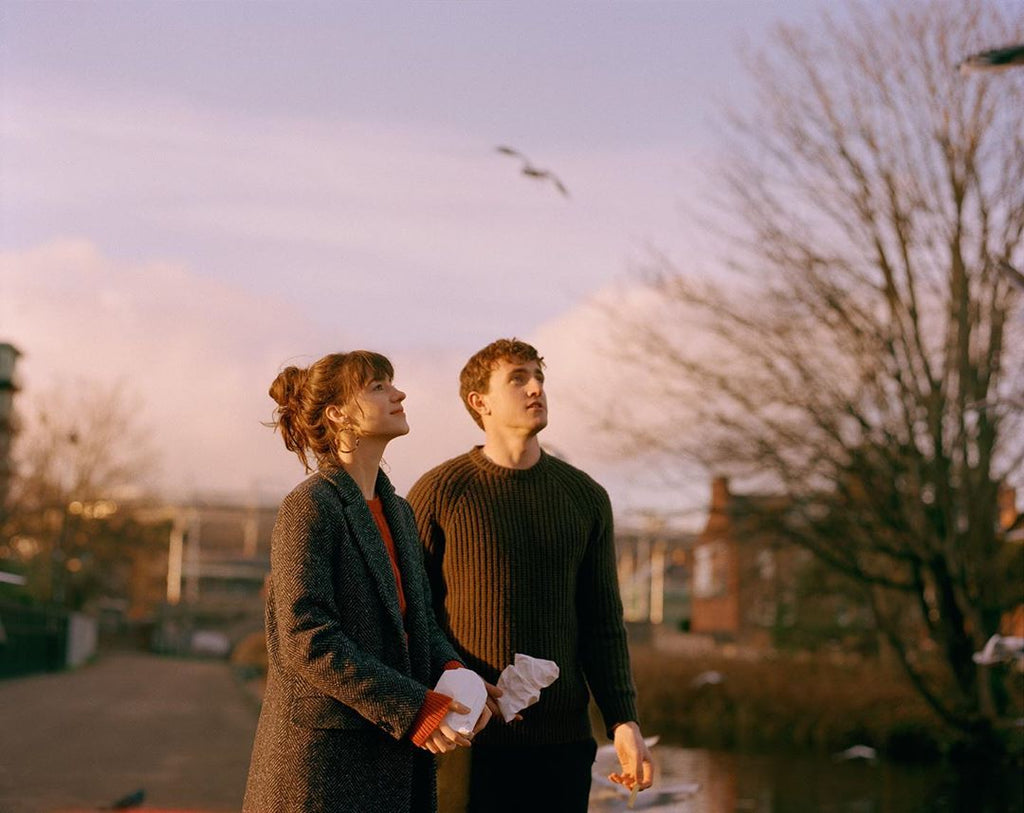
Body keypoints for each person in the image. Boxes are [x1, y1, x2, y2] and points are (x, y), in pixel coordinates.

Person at [407, 338, 655, 813]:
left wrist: (623, 720)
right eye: (517, 378)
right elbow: (411, 615)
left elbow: (602, 622)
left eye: (538, 376)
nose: (535, 387)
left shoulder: (585, 497)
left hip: (561, 744)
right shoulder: (439, 492)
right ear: (480, 402)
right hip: (465, 741)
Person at [243, 350, 490, 813]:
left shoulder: (398, 510)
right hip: (324, 766)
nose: (399, 393)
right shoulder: (309, 506)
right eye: (378, 386)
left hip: (393, 760)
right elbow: (308, 638)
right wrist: (415, 708)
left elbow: (417, 622)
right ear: (338, 413)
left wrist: (455, 672)